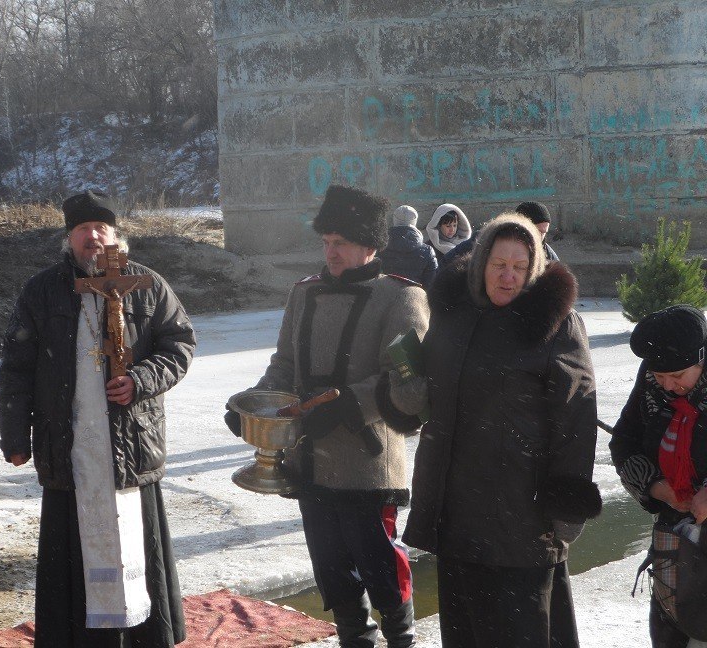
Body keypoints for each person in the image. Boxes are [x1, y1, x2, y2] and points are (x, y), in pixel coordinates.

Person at [382, 212, 601, 647]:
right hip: (457, 507)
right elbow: (427, 391)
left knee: (523, 632)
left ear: (533, 269)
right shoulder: (453, 316)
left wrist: (567, 502)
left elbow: (576, 417)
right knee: (466, 630)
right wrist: (404, 391)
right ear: (480, 262)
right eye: (498, 264)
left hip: (523, 513)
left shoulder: (555, 325)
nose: (508, 277)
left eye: (520, 267)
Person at [226, 184, 430, 648]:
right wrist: (253, 407)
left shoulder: (401, 298)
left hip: (367, 463)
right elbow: (282, 366)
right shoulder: (304, 293)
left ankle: (402, 640)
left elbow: (409, 383)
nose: (329, 252)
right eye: (325, 242)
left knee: (382, 569)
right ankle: (355, 641)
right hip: (309, 461)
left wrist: (346, 406)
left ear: (368, 245)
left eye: (339, 243)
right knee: (332, 570)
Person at [0, 190, 196, 647]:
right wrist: (15, 436)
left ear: (115, 234)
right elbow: (17, 367)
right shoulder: (43, 290)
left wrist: (141, 380)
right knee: (72, 547)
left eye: (100, 228)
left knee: (136, 545)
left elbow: (180, 344)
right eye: (83, 230)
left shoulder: (145, 283)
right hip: (69, 443)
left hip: (129, 442)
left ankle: (145, 636)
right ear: (69, 238)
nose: (93, 237)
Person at [609, 304, 707, 648]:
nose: (668, 386)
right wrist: (659, 488)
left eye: (678, 377)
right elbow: (624, 442)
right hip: (678, 543)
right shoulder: (652, 381)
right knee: (676, 631)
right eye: (660, 377)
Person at [441, 200, 559, 266]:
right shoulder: (486, 240)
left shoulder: (547, 255)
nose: (540, 237)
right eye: (536, 231)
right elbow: (446, 264)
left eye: (544, 232)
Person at [377, 204, 438, 286]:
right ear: (415, 221)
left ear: (394, 220)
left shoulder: (379, 248)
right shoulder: (427, 251)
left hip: (384, 296)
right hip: (415, 297)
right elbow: (430, 285)